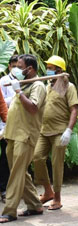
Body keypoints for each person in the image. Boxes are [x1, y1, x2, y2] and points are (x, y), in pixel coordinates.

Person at [0, 54, 46, 223]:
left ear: (30, 69)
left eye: (20, 66)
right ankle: (35, 204)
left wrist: (18, 91)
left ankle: (9, 211)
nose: (16, 69)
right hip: (12, 134)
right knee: (18, 171)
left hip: (25, 136)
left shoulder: (38, 85)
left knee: (17, 173)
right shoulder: (24, 84)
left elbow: (33, 108)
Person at [33, 55, 78, 210]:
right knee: (37, 157)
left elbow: (74, 109)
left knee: (57, 164)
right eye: (48, 67)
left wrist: (69, 130)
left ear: (59, 70)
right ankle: (48, 191)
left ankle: (57, 197)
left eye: (51, 68)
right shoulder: (46, 85)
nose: (48, 70)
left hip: (60, 131)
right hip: (44, 130)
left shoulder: (67, 86)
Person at [0, 55, 18, 203]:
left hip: (13, 125)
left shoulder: (24, 81)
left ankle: (9, 189)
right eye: (14, 65)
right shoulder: (4, 81)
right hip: (5, 125)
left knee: (9, 157)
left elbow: (2, 106)